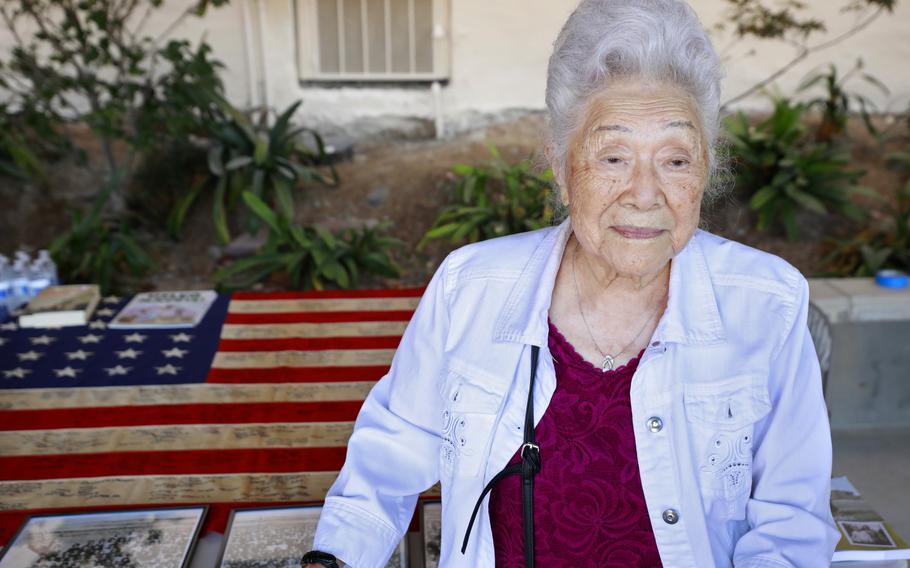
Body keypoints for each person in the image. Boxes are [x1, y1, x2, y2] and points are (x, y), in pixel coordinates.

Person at [302, 0, 840, 566]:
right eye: (613, 157)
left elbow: (790, 523)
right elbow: (384, 462)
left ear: (707, 169)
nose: (644, 192)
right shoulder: (471, 289)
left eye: (675, 161)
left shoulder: (767, 305)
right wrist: (334, 557)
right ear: (561, 169)